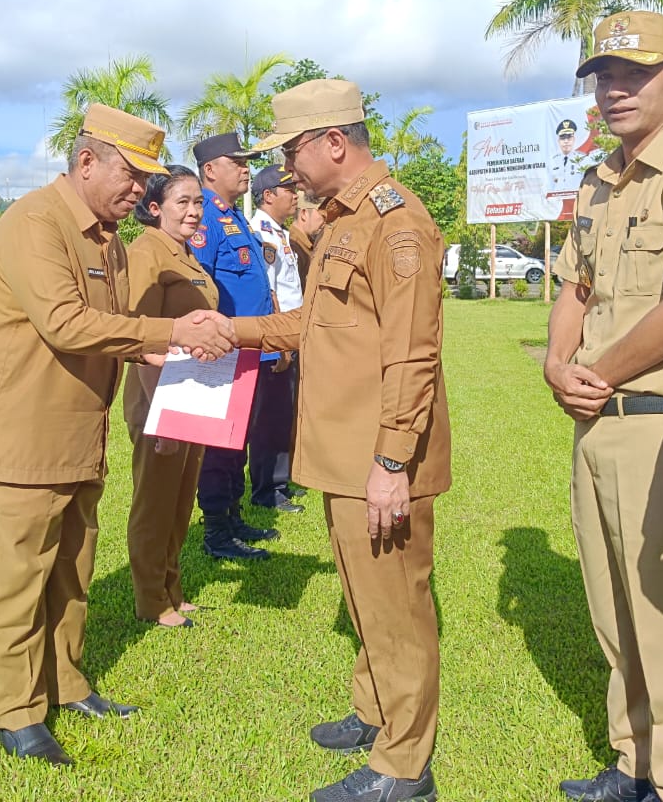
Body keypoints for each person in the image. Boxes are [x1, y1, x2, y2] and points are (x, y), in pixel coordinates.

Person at [0, 104, 234, 769]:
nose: (141, 191)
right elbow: (68, 324)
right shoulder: (34, 223)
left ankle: (66, 684)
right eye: (131, 175)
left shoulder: (108, 239)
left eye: (145, 179)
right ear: (85, 162)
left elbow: (117, 327)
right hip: (16, 438)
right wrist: (169, 335)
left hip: (77, 436)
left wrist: (155, 354)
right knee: (16, 579)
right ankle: (15, 713)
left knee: (71, 571)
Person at [234, 79, 449, 802]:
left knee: (396, 609)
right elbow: (312, 325)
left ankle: (404, 766)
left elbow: (413, 351)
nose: (286, 168)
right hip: (341, 452)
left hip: (375, 458)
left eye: (293, 149)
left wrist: (392, 460)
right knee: (366, 599)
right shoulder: (341, 221)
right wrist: (230, 334)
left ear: (334, 142)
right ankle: (376, 711)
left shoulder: (397, 222)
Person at [546, 11, 663, 802]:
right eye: (604, 77)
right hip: (597, 421)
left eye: (634, 74)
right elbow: (575, 285)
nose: (614, 90)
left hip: (659, 424)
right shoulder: (598, 181)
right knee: (612, 608)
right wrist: (558, 365)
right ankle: (632, 763)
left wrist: (593, 371)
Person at [123, 165, 216, 629]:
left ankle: (172, 588)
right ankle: (149, 599)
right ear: (155, 208)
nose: (194, 212)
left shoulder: (185, 255)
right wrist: (160, 417)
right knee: (155, 501)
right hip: (158, 399)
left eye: (198, 202)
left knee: (181, 501)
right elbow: (140, 339)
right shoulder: (148, 254)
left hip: (193, 396)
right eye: (183, 202)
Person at [190, 131, 283, 559]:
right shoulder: (205, 218)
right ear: (210, 170)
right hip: (224, 355)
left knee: (238, 441)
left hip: (250, 351)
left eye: (247, 162)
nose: (246, 168)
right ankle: (216, 532)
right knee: (220, 446)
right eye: (237, 162)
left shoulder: (235, 216)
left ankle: (233, 514)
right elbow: (200, 287)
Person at [248, 161, 305, 513]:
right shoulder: (261, 233)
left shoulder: (279, 231)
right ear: (268, 195)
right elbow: (268, 293)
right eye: (289, 191)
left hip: (290, 335)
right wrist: (279, 343)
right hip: (277, 338)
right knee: (268, 416)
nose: (296, 197)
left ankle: (280, 481)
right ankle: (265, 488)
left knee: (283, 411)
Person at [290, 193, 326, 286]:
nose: (326, 222)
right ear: (304, 214)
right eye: (323, 216)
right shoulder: (293, 247)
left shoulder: (308, 243)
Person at [549, 118, 582, 189]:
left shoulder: (582, 159)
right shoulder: (553, 161)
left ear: (574, 139)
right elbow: (549, 186)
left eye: (569, 137)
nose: (566, 141)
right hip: (557, 199)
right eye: (563, 138)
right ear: (558, 141)